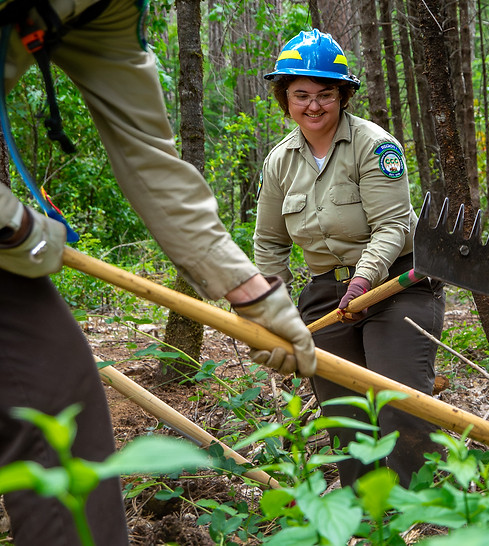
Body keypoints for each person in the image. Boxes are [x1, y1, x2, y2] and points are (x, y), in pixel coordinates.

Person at [0, 1, 316, 544]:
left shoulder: (109, 8)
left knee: (56, 397)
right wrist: (10, 224)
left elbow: (148, 155)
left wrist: (253, 294)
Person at [254, 29, 445, 488]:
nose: (313, 106)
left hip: (397, 286)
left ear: (343, 96)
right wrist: (271, 311)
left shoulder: (375, 146)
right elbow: (270, 244)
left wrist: (362, 284)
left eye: (325, 94)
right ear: (285, 98)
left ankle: (419, 516)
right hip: (326, 294)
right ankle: (361, 516)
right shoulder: (279, 163)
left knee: (400, 403)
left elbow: (394, 225)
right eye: (301, 95)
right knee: (343, 416)